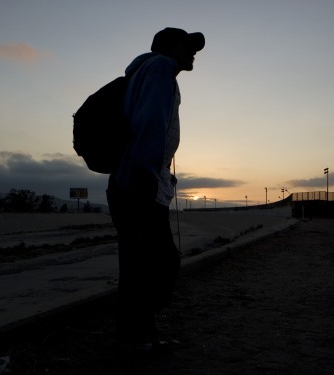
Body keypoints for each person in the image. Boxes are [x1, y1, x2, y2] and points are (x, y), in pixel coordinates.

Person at [106, 27, 205, 351]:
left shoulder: (145, 71)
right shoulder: (161, 67)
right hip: (139, 182)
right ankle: (136, 335)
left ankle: (135, 336)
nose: (193, 52)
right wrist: (150, 174)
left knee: (137, 266)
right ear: (167, 47)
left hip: (130, 180)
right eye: (187, 46)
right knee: (161, 264)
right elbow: (150, 122)